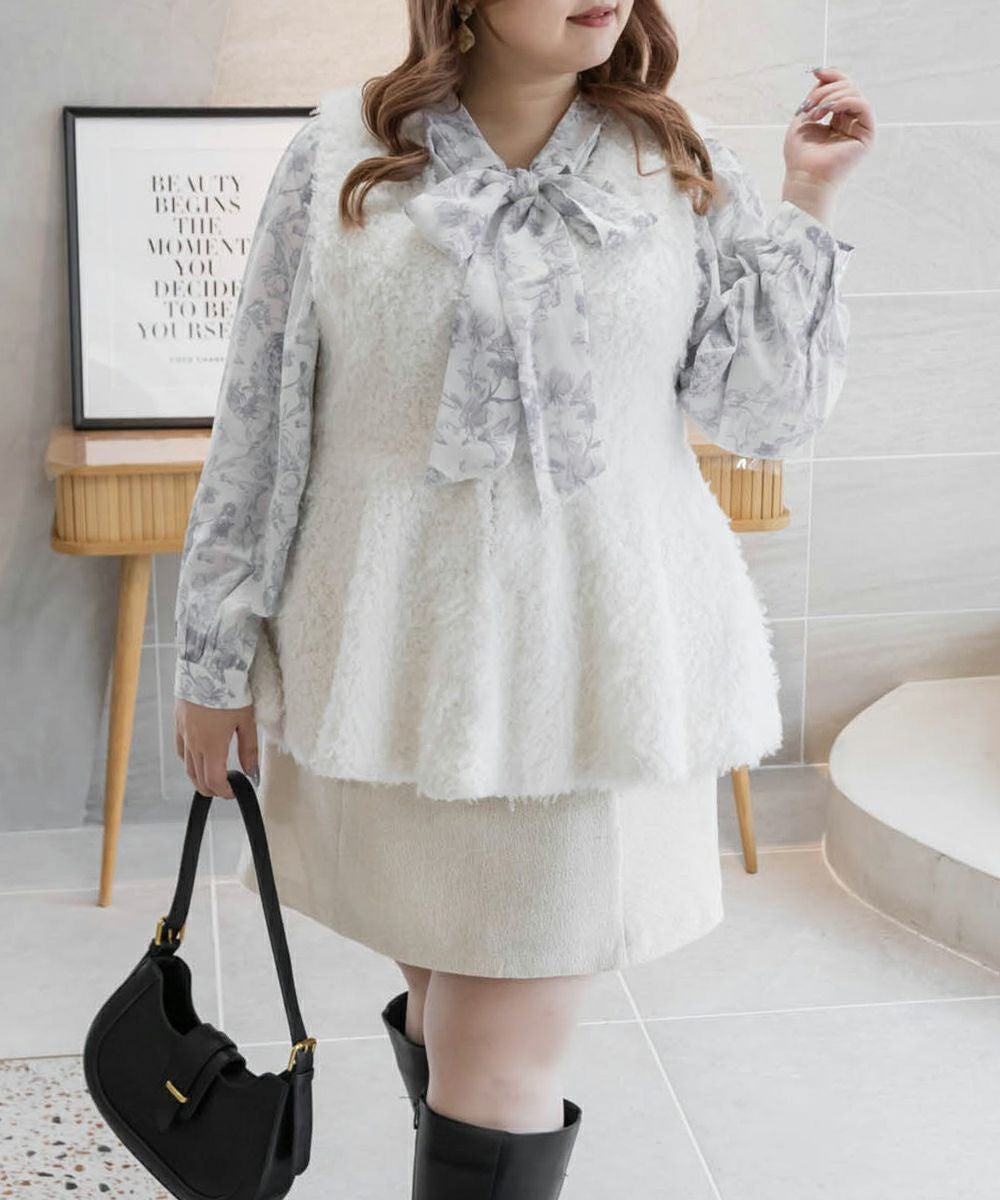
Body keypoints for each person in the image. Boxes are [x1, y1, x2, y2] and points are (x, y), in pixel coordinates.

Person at [173, 1, 874, 1195]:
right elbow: (260, 417)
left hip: (588, 681)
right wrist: (212, 655)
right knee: (447, 1006)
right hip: (391, 669)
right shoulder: (339, 152)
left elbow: (764, 415)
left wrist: (809, 194)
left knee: (494, 1054)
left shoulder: (676, 159)